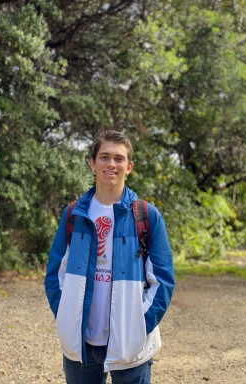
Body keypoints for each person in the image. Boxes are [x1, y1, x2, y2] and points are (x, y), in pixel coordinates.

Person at [44, 130, 175, 384]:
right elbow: (55, 275)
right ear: (93, 163)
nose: (111, 164)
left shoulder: (146, 215)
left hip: (130, 343)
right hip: (81, 344)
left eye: (119, 158)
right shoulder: (73, 214)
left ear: (129, 167)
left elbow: (164, 282)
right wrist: (66, 319)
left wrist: (139, 327)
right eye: (104, 157)